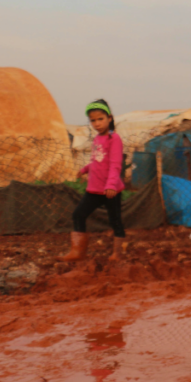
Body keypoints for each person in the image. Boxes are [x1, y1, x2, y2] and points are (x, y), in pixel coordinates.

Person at [58, 99, 126, 263]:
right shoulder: (97, 139)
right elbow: (98, 161)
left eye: (100, 119)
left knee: (115, 220)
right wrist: (84, 170)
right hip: (94, 188)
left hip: (110, 190)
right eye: (93, 120)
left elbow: (115, 164)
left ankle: (118, 253)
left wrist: (110, 185)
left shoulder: (114, 139)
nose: (97, 123)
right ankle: (78, 251)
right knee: (78, 214)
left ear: (109, 118)